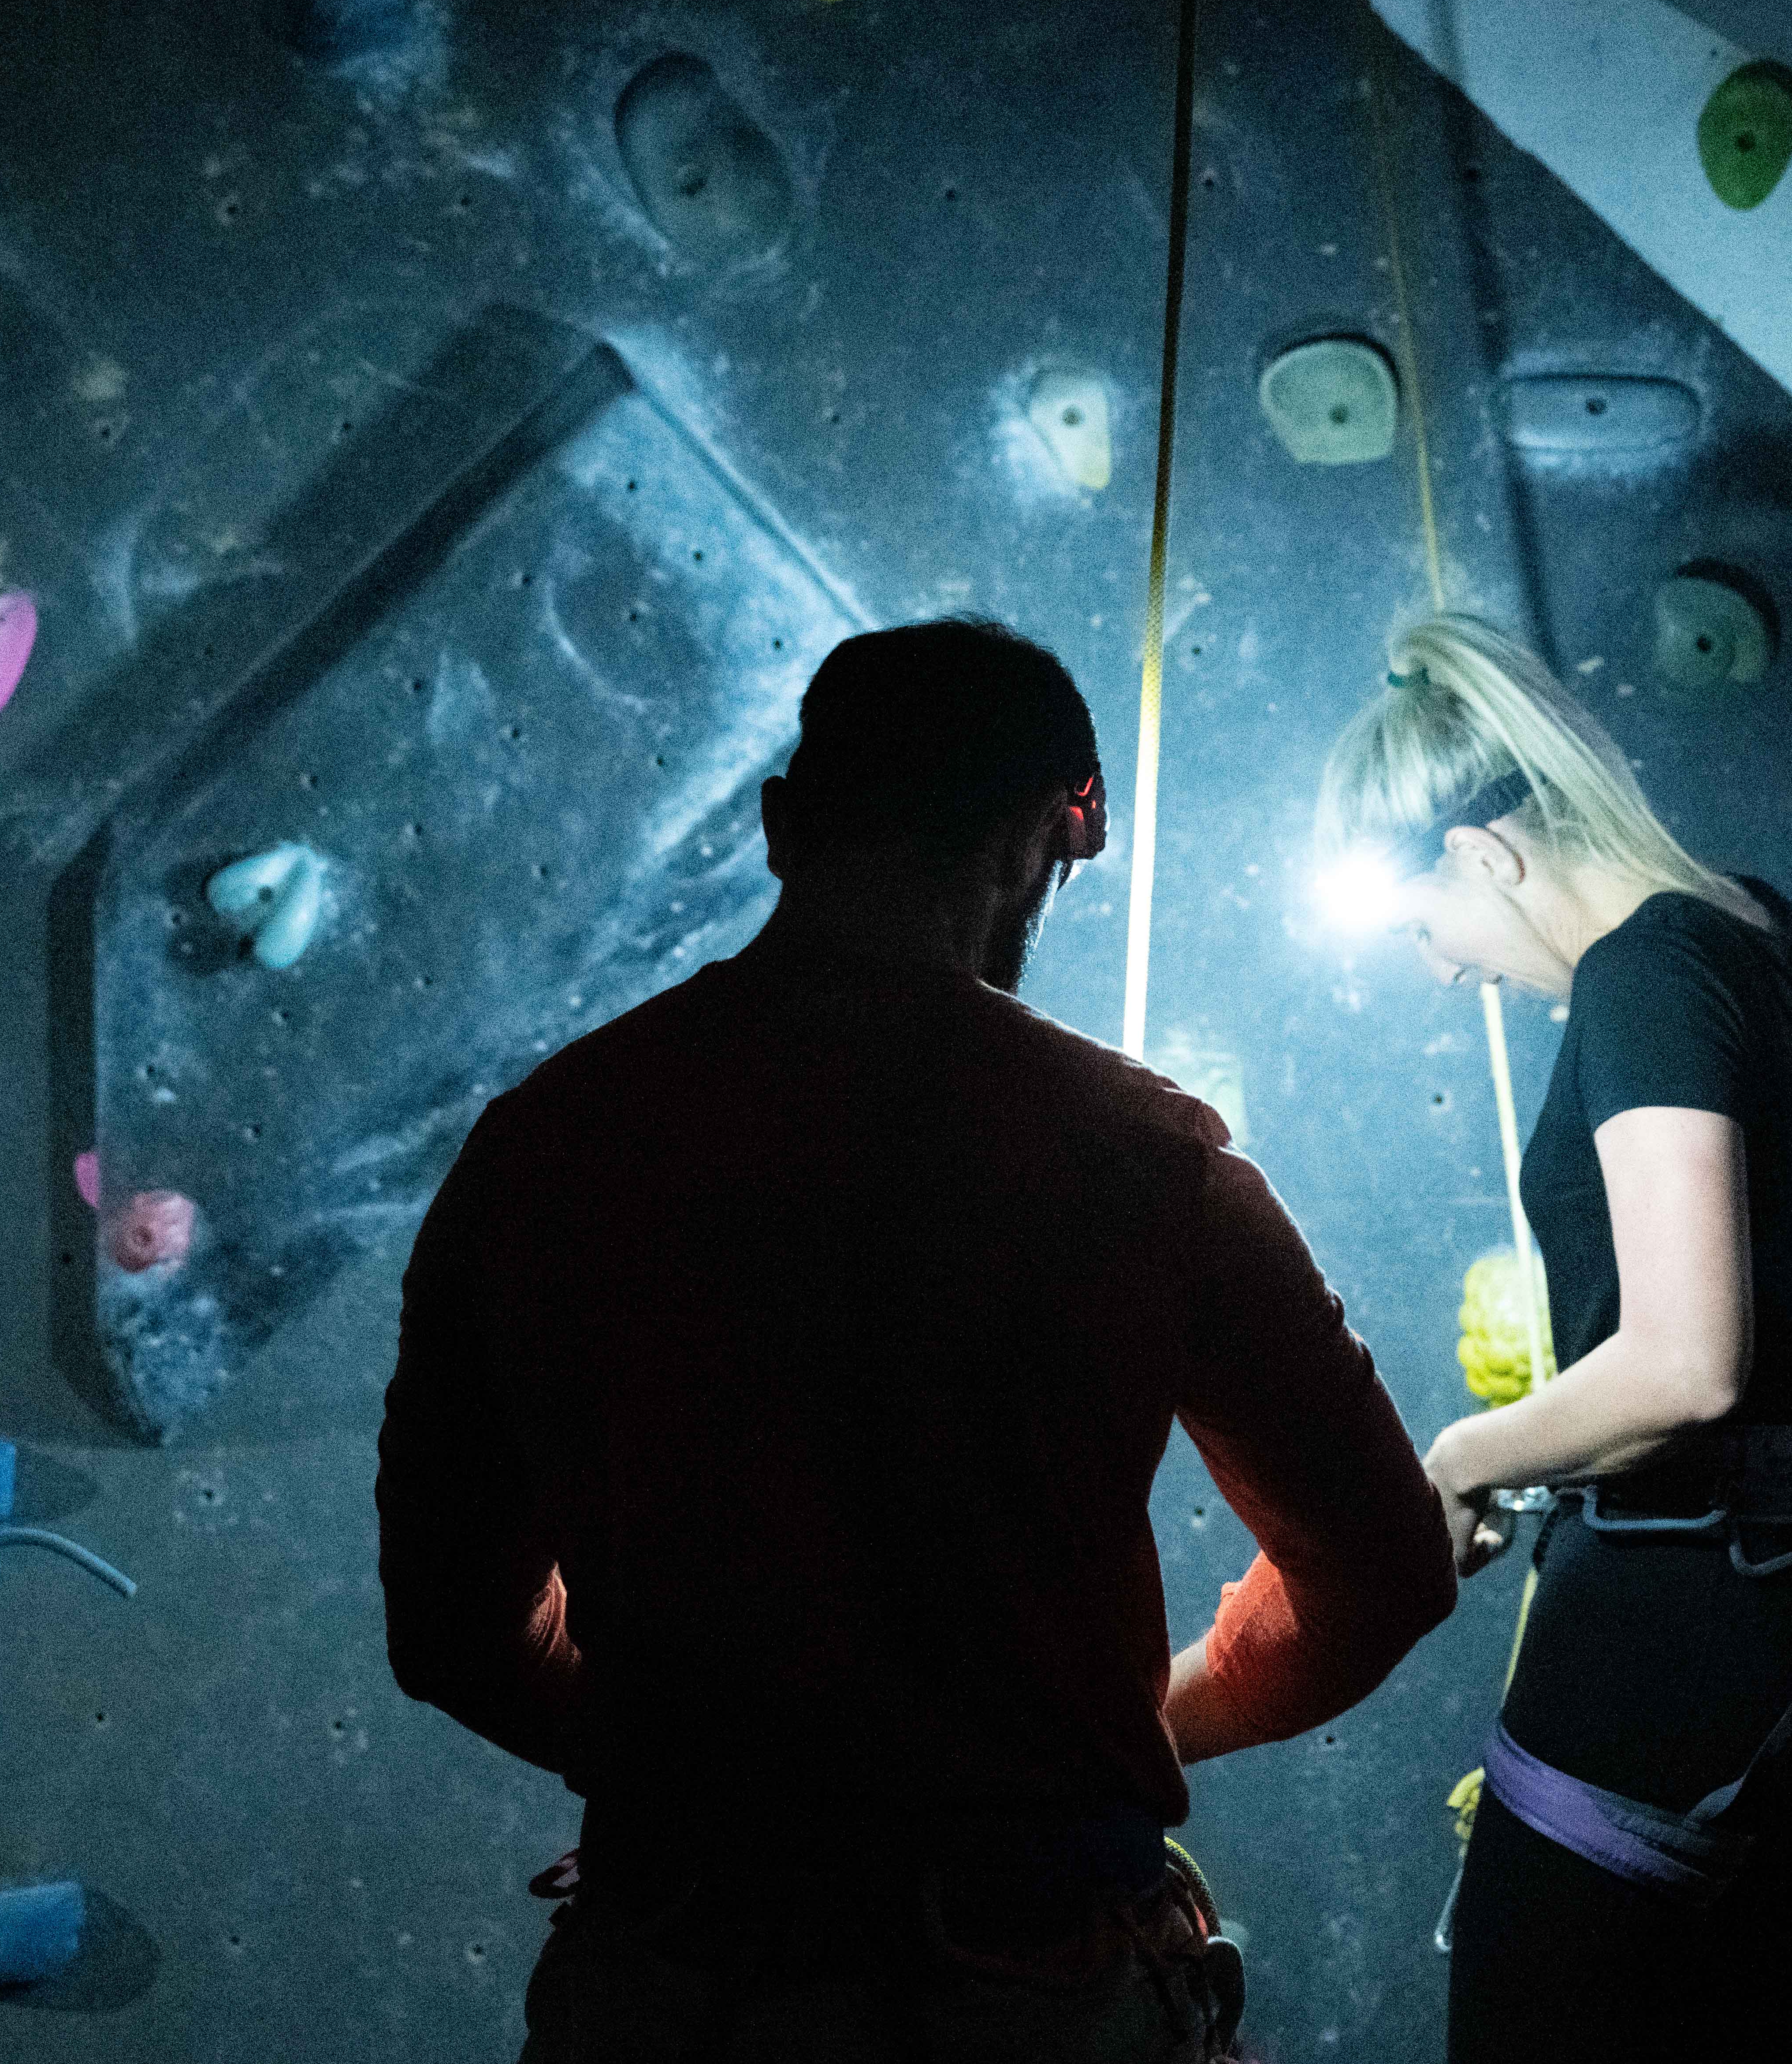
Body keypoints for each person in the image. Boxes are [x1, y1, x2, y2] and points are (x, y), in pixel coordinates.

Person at [379, 617, 1465, 2064]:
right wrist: (1133, 1726)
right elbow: (1383, 1567)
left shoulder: (544, 1151)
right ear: (1048, 830)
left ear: (782, 825)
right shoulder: (1150, 1165)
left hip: (675, 1986)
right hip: (1032, 1994)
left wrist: (708, 1784)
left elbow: (452, 1621)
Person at [1307, 611, 1792, 2063]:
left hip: (1665, 1650)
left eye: (1423, 924)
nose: (1443, 968)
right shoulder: (1762, 926)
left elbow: (1686, 1361)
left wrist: (1464, 1455)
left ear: (1483, 856)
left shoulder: (1649, 973)